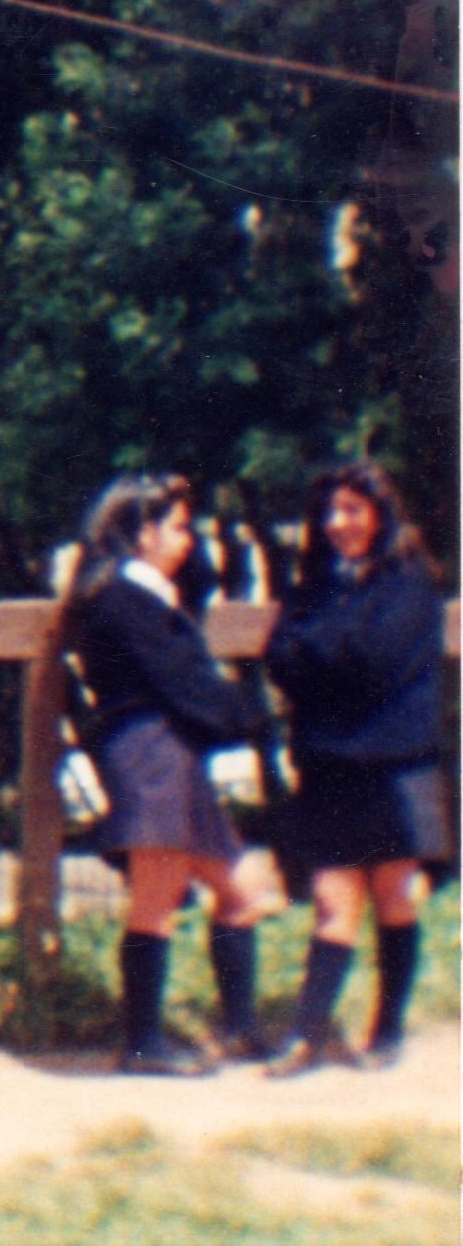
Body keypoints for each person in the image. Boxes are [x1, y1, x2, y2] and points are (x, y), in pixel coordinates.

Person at [61, 473, 277, 1076]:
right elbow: (184, 684)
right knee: (157, 897)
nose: (189, 541)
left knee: (239, 894)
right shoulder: (123, 601)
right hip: (149, 755)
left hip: (173, 755)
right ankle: (141, 1044)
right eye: (179, 527)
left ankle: (238, 1028)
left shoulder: (148, 596)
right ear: (142, 533)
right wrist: (253, 716)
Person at [262, 461, 450, 1075]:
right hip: (330, 764)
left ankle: (387, 1028)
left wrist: (319, 653)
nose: (339, 523)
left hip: (398, 763)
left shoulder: (410, 581)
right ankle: (306, 1037)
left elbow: (374, 661)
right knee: (331, 897)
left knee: (396, 894)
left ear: (380, 512)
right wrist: (328, 654)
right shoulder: (312, 585)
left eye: (353, 509)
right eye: (331, 512)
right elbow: (279, 658)